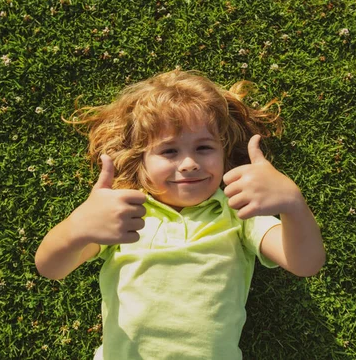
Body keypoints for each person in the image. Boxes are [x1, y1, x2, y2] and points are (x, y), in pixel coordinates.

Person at [35, 70, 325, 359]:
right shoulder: (124, 212)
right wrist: (78, 226)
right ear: (140, 161)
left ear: (224, 153)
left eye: (203, 148)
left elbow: (305, 263)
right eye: (169, 151)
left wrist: (292, 203)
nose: (188, 163)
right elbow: (51, 268)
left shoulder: (238, 211)